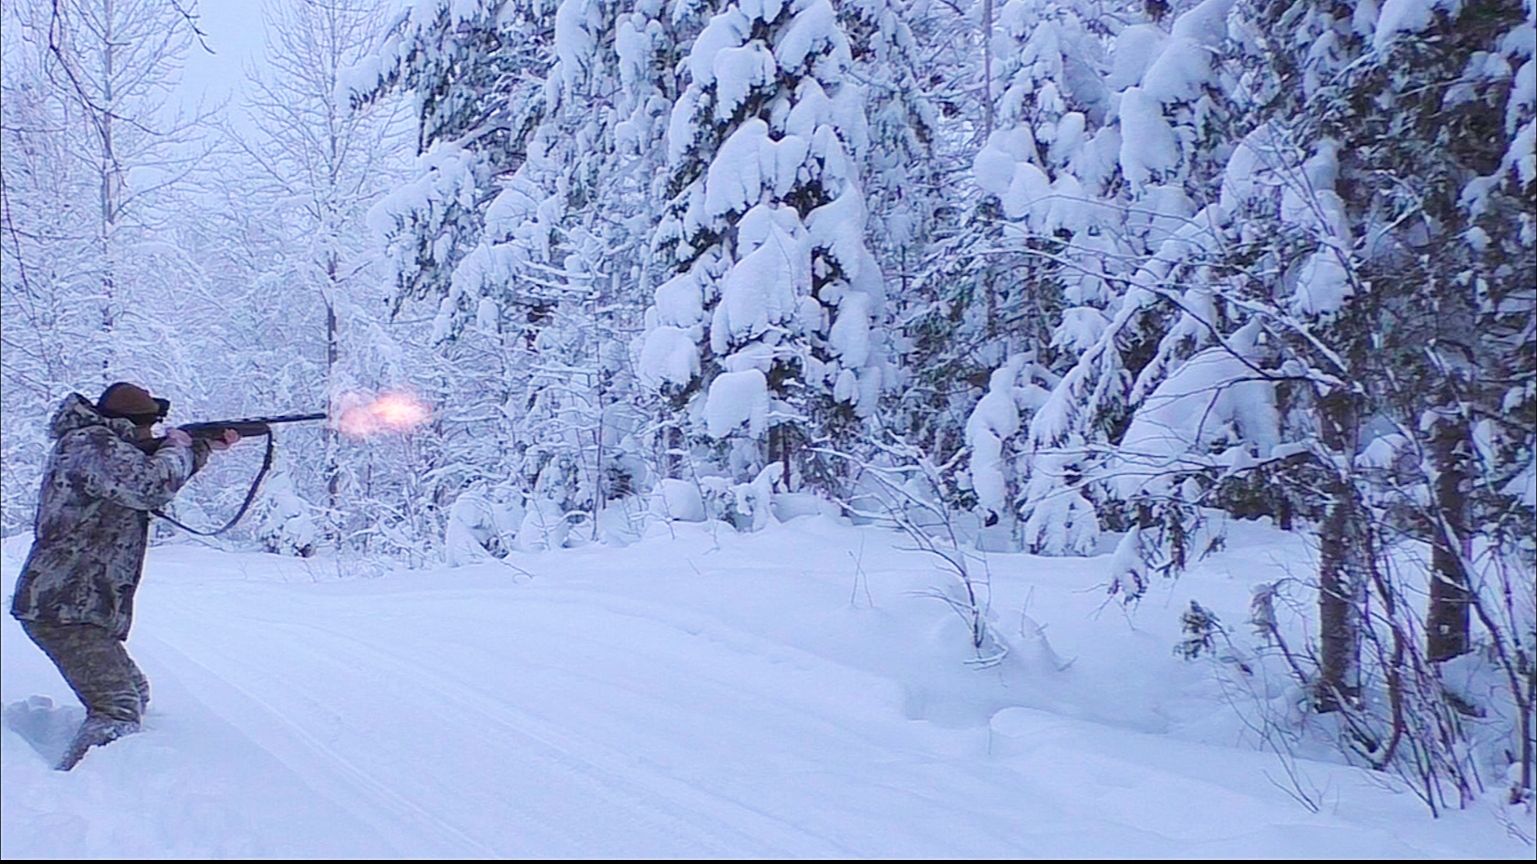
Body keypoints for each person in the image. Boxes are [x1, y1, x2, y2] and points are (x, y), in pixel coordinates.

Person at [9, 382, 238, 770]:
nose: (152, 434)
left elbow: (147, 475)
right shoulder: (91, 444)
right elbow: (150, 485)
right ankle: (77, 788)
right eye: (148, 427)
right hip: (61, 607)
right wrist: (178, 446)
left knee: (134, 691)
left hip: (77, 605)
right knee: (117, 708)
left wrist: (198, 447)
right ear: (128, 425)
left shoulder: (100, 445)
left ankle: (108, 775)